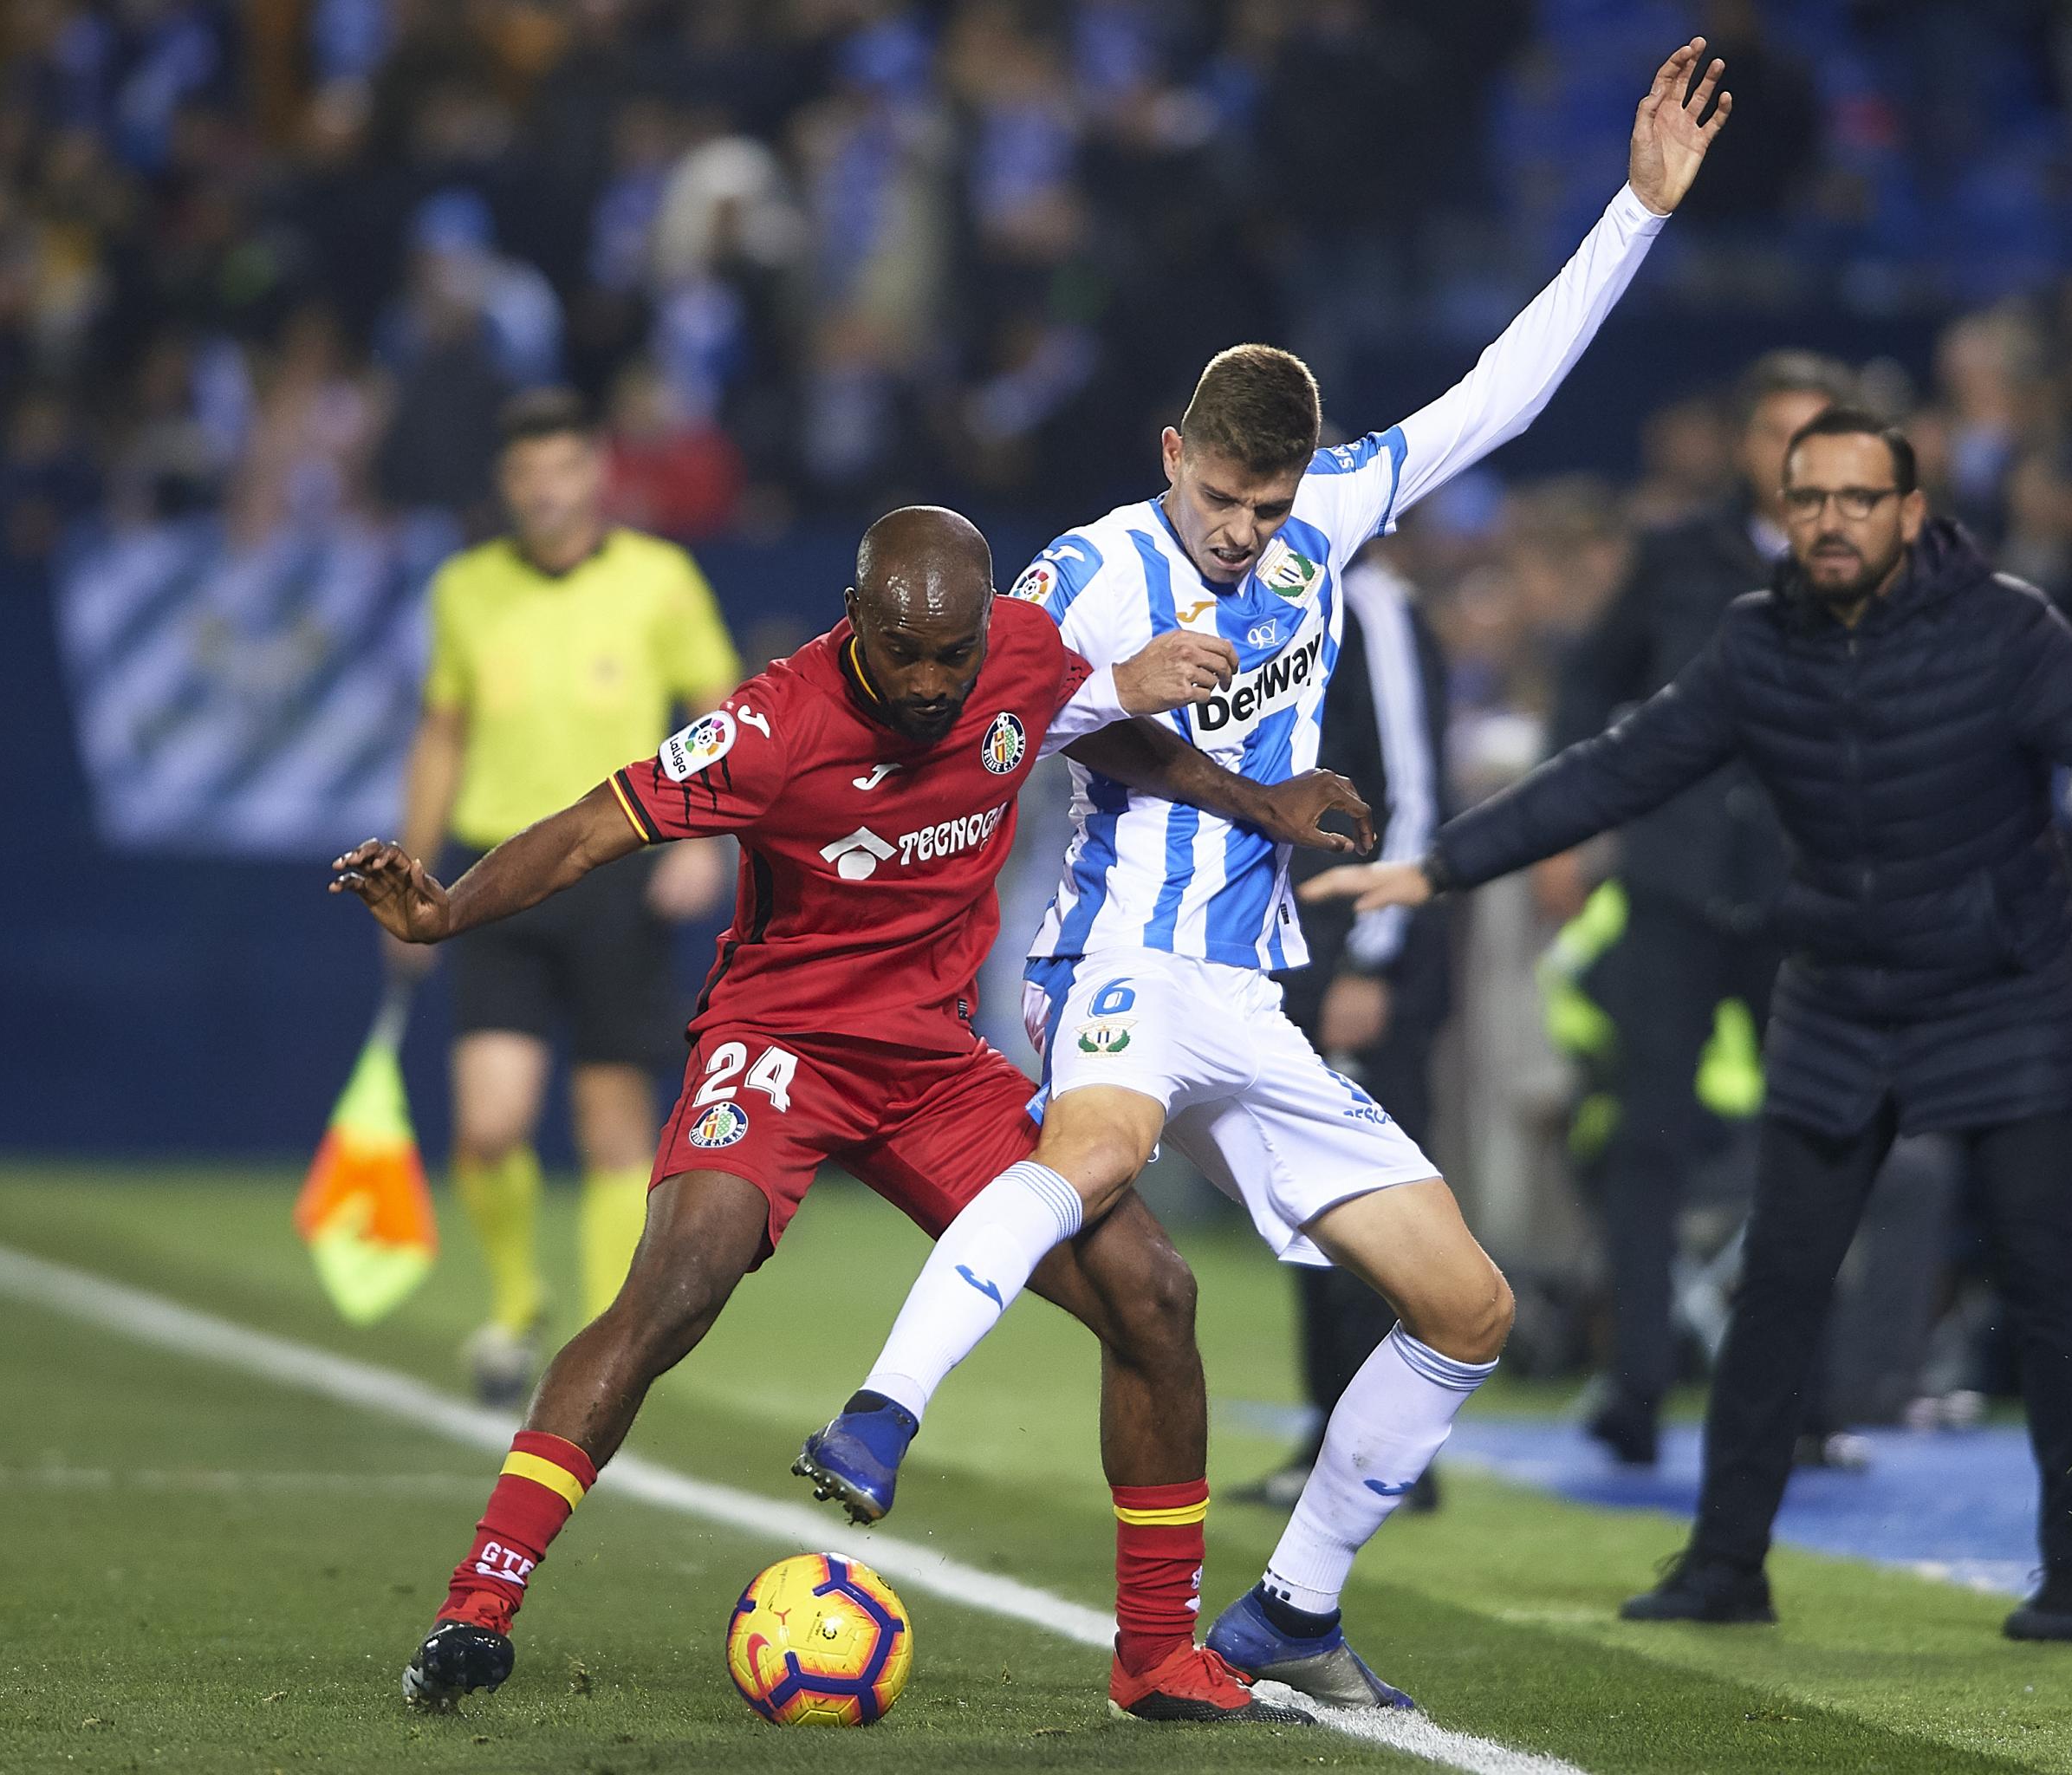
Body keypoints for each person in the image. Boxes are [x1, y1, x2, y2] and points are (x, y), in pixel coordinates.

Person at [794, 40, 1732, 1711]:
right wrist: (1102, 692)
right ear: (1174, 455)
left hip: (1251, 993)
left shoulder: (1330, 517)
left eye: (1268, 502)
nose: (1243, 531)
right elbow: (981, 731)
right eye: (1225, 499)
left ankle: (1292, 1605)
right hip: (1114, 968)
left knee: (1468, 1302)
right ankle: (880, 1411)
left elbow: (1500, 396)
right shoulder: (1084, 573)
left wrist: (1634, 215)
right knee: (1087, 1156)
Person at [1303, 408, 2072, 1642]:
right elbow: (1624, 766)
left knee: (2043, 1277)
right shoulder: (1759, 645)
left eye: (1861, 500)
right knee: (1779, 1283)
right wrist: (1440, 869)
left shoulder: (2010, 628)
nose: (1832, 521)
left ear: (1912, 515)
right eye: (1812, 498)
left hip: (2002, 992)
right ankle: (1725, 1565)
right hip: (1841, 993)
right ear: (1786, 506)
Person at [335, 506, 1368, 1723]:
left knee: (1154, 1291)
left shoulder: (1024, 653)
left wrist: (1253, 800)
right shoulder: (773, 725)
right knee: (679, 1286)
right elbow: (588, 832)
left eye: (953, 654)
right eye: (902, 651)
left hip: (934, 1065)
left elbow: (1096, 733)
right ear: (855, 618)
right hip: (781, 1045)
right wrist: (449, 911)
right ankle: (477, 1605)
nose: (931, 684)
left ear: (987, 623)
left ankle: (1153, 1658)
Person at [396, 387, 741, 1405]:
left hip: (616, 869)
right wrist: (415, 876)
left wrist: (706, 838)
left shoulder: (659, 579)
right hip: (496, 869)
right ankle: (513, 1304)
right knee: (490, 1123)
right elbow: (442, 731)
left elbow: (718, 714)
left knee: (611, 1124)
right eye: (525, 475)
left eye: (561, 470)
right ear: (505, 484)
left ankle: (602, 1339)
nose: (544, 492)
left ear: (596, 471)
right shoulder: (463, 588)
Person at [1553, 349, 1849, 1466]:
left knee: (1814, 1138)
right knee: (1646, 1139)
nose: (1795, 457)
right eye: (1777, 431)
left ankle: (1805, 1400)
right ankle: (1634, 1385)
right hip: (1673, 879)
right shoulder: (1679, 554)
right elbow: (1591, 677)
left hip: (1804, 893)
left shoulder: (1870, 563)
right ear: (1742, 444)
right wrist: (1575, 811)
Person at [1237, 555, 1452, 1514]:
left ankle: (1396, 1453)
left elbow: (1415, 785)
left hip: (1365, 945)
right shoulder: (1283, 606)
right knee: (1310, 1202)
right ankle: (1333, 1431)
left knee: (1377, 1201)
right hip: (1296, 944)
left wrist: (1375, 957)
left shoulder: (1377, 606)